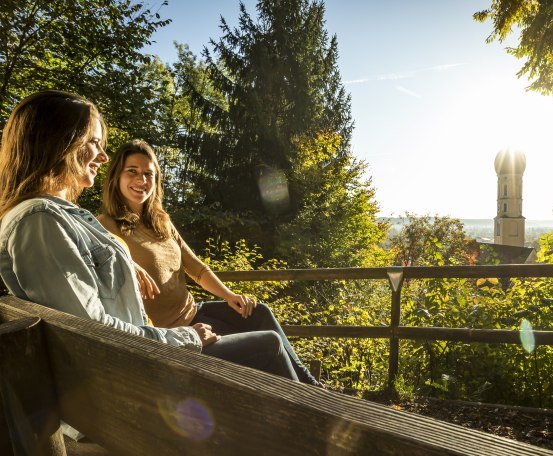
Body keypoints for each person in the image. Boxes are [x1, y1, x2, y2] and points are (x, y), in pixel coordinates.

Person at [0, 91, 302, 383]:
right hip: (140, 368)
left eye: (150, 174)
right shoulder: (40, 221)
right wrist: (187, 337)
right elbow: (92, 330)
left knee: (260, 317)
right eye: (93, 142)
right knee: (268, 346)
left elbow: (189, 267)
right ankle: (322, 419)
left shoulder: (62, 218)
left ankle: (315, 391)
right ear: (58, 143)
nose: (103, 156)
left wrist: (126, 265)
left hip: (147, 350)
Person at [98, 139, 321, 386]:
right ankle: (305, 406)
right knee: (269, 344)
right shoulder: (105, 226)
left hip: (195, 311)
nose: (141, 180)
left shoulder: (161, 221)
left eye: (148, 174)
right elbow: (104, 277)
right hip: (173, 336)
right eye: (132, 172)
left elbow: (195, 268)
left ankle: (312, 387)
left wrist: (229, 295)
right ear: (116, 177)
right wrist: (130, 264)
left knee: (258, 312)